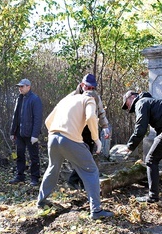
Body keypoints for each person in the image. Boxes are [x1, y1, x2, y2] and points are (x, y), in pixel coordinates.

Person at [37, 91, 114, 220]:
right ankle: (96, 210)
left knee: (53, 168)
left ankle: (41, 201)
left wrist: (56, 133)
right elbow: (90, 117)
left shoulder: (67, 99)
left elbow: (47, 120)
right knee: (91, 170)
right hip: (69, 139)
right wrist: (96, 139)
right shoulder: (89, 99)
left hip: (53, 137)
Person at [119, 90, 162, 203]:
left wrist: (130, 146)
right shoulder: (152, 101)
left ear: (131, 97)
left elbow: (141, 129)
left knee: (151, 160)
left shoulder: (141, 103)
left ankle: (152, 196)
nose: (127, 108)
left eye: (126, 104)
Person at [67, 74, 110, 190]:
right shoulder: (72, 97)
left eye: (93, 88)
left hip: (90, 130)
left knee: (87, 157)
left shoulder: (96, 97)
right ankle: (74, 180)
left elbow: (100, 112)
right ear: (82, 85)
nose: (90, 90)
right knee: (81, 157)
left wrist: (105, 126)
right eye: (88, 87)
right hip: (76, 131)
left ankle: (80, 183)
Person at [9, 78, 43, 186]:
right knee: (20, 155)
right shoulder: (19, 98)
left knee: (33, 156)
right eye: (19, 87)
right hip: (20, 133)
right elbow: (16, 117)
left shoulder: (35, 99)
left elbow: (38, 118)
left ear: (28, 87)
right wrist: (12, 132)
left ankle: (35, 178)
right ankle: (20, 176)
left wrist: (35, 135)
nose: (20, 88)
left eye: (22, 86)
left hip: (30, 133)